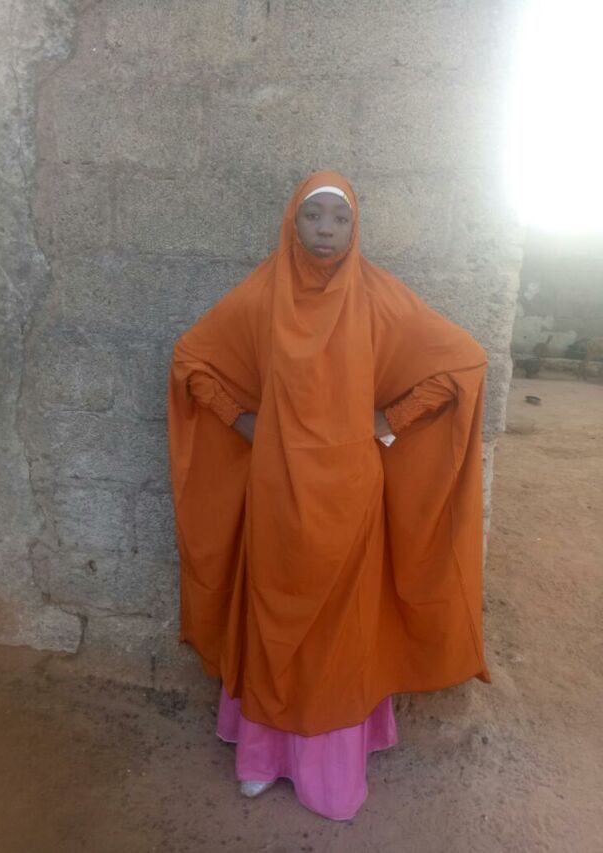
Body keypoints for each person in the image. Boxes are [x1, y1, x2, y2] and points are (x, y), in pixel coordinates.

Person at [167, 171, 490, 821]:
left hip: (350, 496)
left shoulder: (377, 298)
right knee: (273, 618)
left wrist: (390, 419)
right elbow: (191, 361)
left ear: (354, 229)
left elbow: (463, 361)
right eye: (313, 216)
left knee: (340, 629)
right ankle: (262, 758)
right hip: (276, 492)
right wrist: (241, 420)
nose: (325, 230)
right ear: (293, 222)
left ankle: (328, 775)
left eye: (339, 220)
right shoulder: (263, 297)